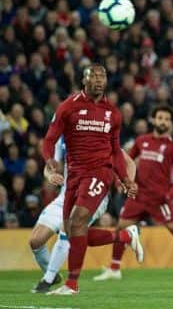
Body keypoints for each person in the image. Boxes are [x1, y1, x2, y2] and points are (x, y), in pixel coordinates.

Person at [41, 64, 142, 295]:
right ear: (84, 80)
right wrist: (49, 161)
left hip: (99, 173)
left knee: (77, 222)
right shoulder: (68, 107)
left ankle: (72, 284)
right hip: (73, 176)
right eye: (94, 76)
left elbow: (116, 151)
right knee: (71, 230)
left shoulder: (113, 113)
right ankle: (125, 235)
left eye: (102, 76)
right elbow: (49, 140)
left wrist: (126, 179)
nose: (98, 80)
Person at [94, 105, 173, 281]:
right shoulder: (142, 141)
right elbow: (126, 161)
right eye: (160, 117)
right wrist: (122, 179)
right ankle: (115, 268)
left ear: (171, 124)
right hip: (138, 196)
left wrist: (172, 192)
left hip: (160, 198)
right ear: (153, 120)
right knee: (121, 228)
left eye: (167, 119)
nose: (163, 121)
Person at [29, 138, 136, 293]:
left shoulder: (98, 131)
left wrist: (128, 182)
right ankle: (125, 236)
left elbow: (129, 162)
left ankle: (49, 280)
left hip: (94, 195)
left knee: (68, 230)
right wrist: (50, 176)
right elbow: (49, 167)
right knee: (35, 241)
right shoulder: (62, 139)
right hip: (65, 196)